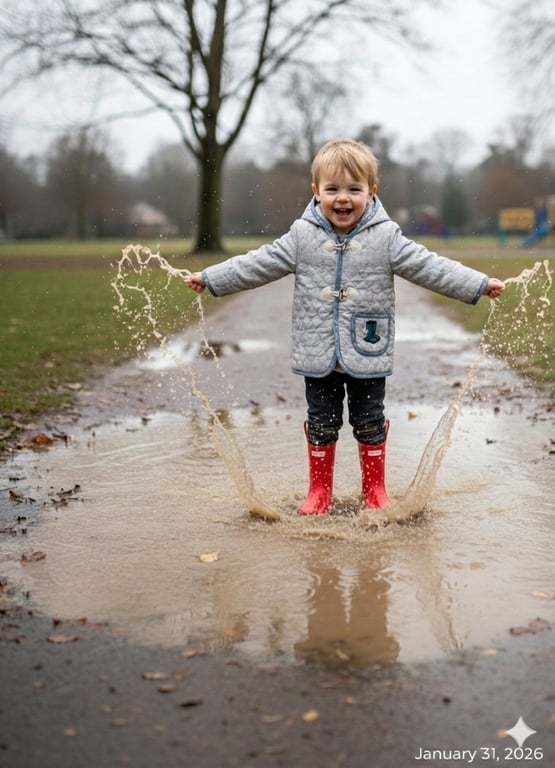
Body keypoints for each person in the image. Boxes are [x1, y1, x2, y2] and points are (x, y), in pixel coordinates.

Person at [185, 138, 505, 516]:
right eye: (332, 189)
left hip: (367, 348)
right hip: (316, 351)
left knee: (369, 421)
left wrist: (477, 284)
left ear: (371, 191)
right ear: (316, 191)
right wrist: (212, 278)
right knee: (322, 422)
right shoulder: (301, 236)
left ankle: (375, 490)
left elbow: (429, 266)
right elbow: (258, 262)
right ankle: (319, 491)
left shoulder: (386, 238)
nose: (342, 198)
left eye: (354, 189)